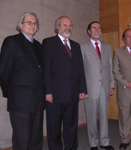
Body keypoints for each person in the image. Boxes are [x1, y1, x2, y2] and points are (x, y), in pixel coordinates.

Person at [0, 12, 45, 150]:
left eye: (35, 23)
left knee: (37, 138)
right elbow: (3, 71)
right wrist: (12, 93)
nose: (32, 25)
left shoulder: (38, 45)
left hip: (38, 100)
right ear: (20, 25)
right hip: (20, 101)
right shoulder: (12, 41)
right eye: (29, 22)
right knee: (22, 140)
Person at [42, 16, 87, 150]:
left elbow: (80, 69)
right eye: (65, 25)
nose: (68, 27)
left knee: (71, 127)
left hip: (72, 95)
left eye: (70, 25)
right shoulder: (49, 42)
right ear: (57, 27)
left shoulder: (76, 45)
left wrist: (82, 89)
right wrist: (47, 91)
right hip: (54, 95)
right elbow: (46, 68)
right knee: (54, 128)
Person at [80, 21, 115, 150]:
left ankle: (104, 142)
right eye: (94, 28)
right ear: (89, 31)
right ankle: (93, 142)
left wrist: (111, 85)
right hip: (90, 89)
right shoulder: (83, 47)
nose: (97, 30)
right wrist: (83, 89)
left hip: (104, 87)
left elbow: (110, 68)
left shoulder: (107, 47)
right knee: (91, 117)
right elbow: (81, 70)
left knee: (104, 117)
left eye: (99, 28)